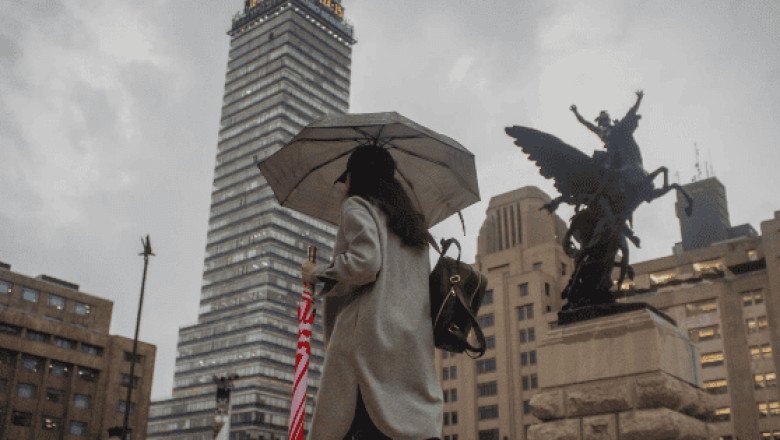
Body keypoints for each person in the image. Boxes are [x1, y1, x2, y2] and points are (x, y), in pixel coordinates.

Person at [301, 144, 443, 440]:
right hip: (409, 341)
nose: (345, 185)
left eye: (346, 177)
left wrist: (318, 273)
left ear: (356, 176)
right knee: (401, 424)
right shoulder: (412, 223)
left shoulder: (357, 206)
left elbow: (366, 263)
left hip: (368, 335)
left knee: (355, 423)